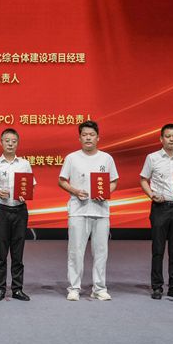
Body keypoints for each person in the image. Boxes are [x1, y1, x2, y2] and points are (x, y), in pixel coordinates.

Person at [58, 120, 118, 301]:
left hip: (100, 211)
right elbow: (62, 180)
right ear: (79, 138)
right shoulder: (72, 158)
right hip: (78, 210)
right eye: (84, 135)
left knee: (101, 251)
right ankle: (74, 288)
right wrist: (75, 191)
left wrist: (106, 193)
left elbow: (114, 181)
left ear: (98, 138)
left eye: (91, 135)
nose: (88, 138)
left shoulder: (106, 158)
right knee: (75, 251)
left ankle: (99, 288)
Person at [139, 124, 173, 300]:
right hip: (160, 208)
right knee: (158, 249)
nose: (171, 139)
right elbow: (143, 180)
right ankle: (157, 287)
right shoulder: (152, 158)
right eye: (168, 136)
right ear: (161, 139)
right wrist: (151, 195)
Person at [0, 128, 35, 302]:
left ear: (17, 143)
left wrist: (25, 194)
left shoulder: (24, 164)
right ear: (1, 143)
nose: (10, 144)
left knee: (18, 253)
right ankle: (0, 289)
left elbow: (30, 186)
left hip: (20, 211)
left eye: (13, 141)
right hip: (1, 211)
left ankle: (17, 289)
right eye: (7, 141)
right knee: (1, 252)